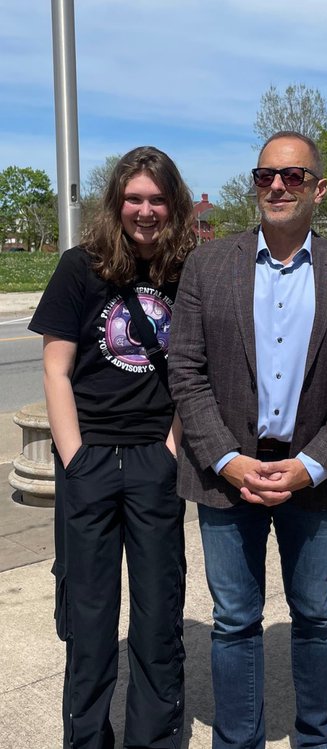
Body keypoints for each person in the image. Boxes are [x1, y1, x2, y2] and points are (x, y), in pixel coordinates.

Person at [169, 131, 327, 749]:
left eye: (292, 176)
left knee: (315, 616)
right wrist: (227, 459)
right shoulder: (207, 266)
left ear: (318, 187)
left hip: (315, 478)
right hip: (226, 474)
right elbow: (185, 369)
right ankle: (239, 740)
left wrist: (312, 465)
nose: (278, 187)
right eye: (266, 176)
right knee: (234, 622)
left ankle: (316, 738)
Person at [32, 145, 192, 749]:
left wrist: (172, 447)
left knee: (157, 620)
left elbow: (195, 368)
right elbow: (56, 368)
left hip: (156, 460)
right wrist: (74, 457)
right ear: (116, 202)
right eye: (134, 198)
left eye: (156, 199)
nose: (145, 210)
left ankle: (153, 739)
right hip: (91, 460)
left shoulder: (188, 271)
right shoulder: (82, 266)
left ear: (172, 204)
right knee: (90, 621)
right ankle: (87, 739)